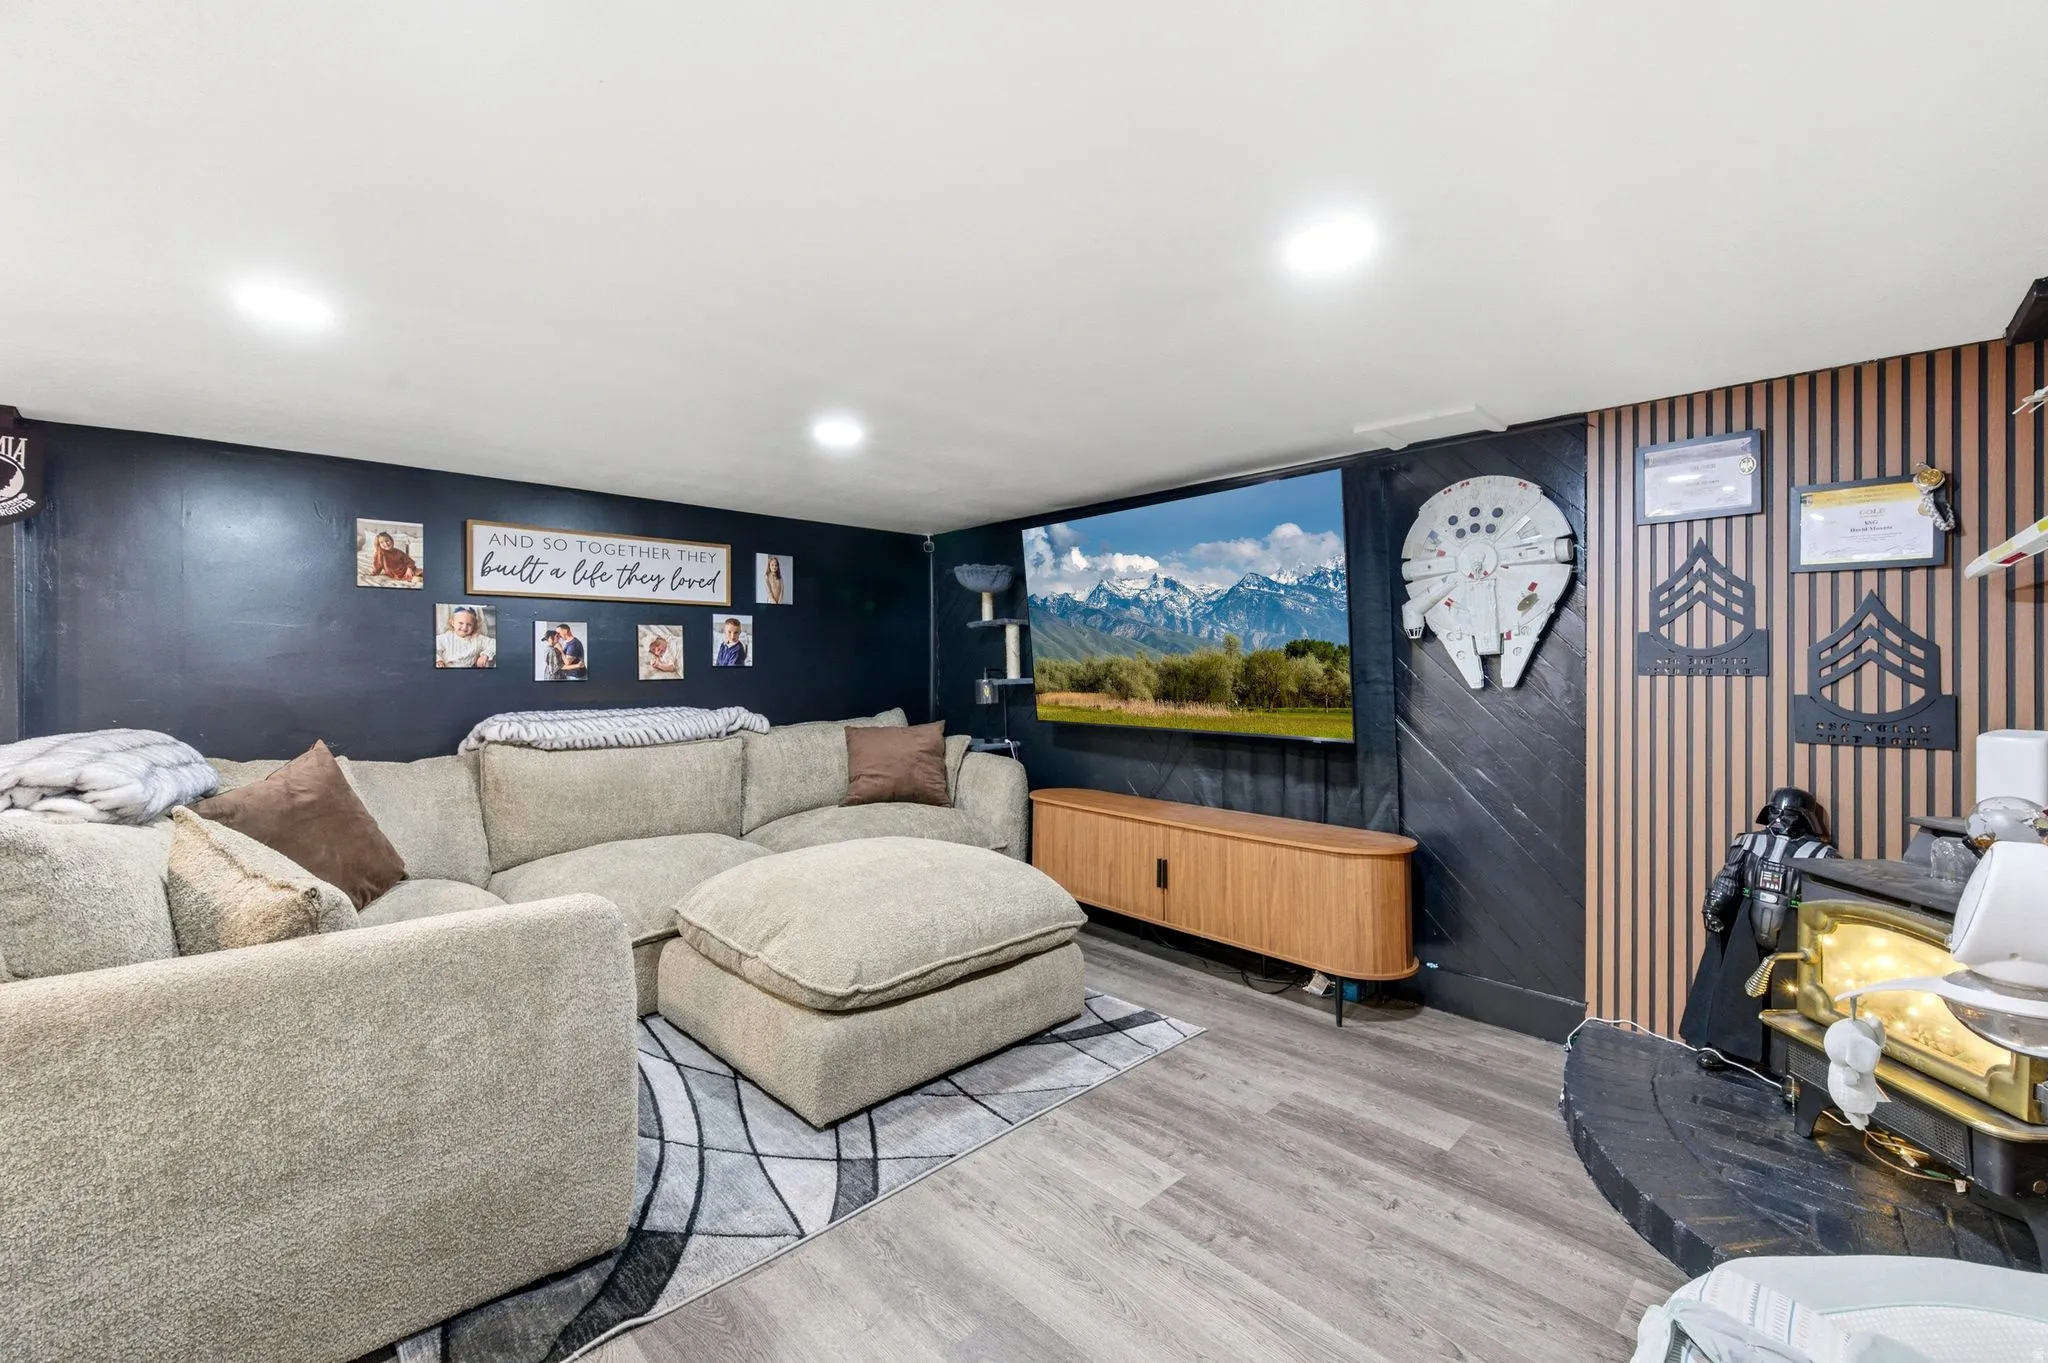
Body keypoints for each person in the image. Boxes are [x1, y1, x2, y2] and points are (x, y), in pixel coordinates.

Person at [1679, 786, 1838, 1067]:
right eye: (1775, 812)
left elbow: (1828, 898)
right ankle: (1725, 1047)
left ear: (1804, 817)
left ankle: (1786, 1062)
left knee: (1790, 994)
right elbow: (1728, 879)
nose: (1780, 819)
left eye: (1788, 814)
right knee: (1735, 987)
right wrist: (1714, 907)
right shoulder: (1749, 844)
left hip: (1792, 927)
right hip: (1747, 923)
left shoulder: (1821, 855)